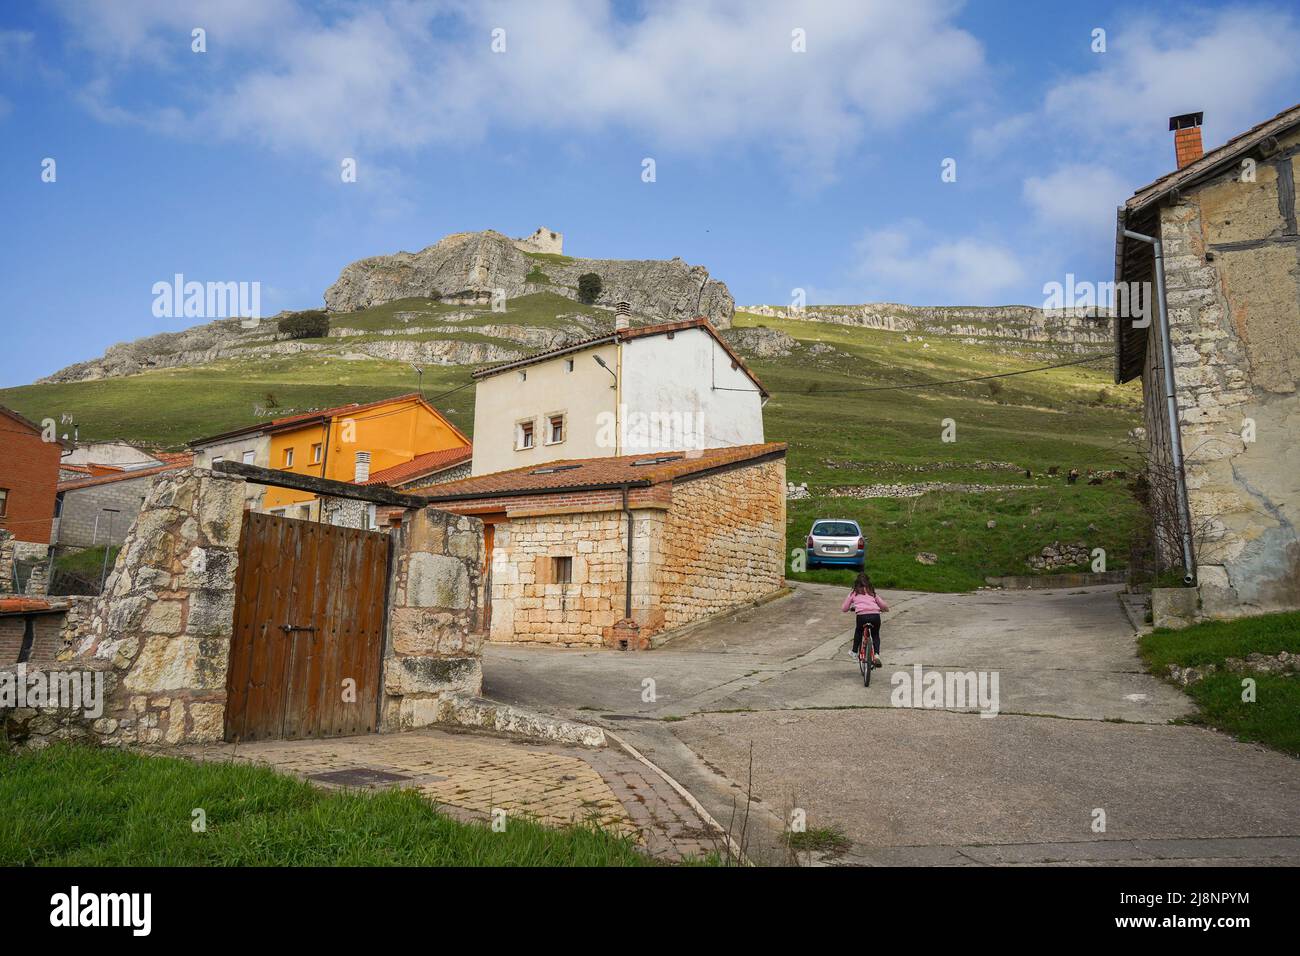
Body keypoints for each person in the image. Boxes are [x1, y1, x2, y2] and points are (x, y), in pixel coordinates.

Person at [842, 571, 889, 665]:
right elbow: (883, 605)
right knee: (875, 634)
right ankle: (876, 655)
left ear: (856, 583)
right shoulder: (872, 592)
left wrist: (851, 608)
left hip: (862, 616)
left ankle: (854, 652)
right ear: (868, 582)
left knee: (859, 631)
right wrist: (885, 609)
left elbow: (844, 608)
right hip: (875, 615)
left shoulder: (854, 593)